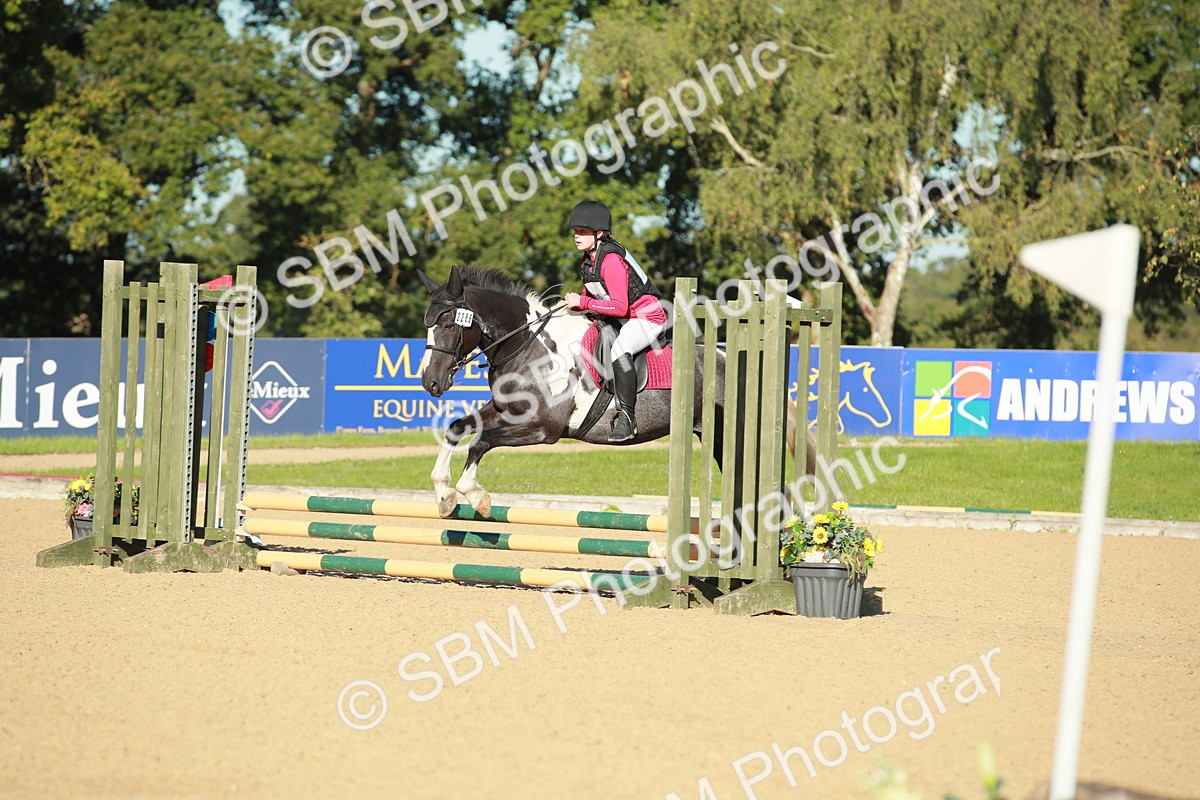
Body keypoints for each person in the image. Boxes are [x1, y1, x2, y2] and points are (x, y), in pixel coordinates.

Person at [562, 200, 667, 442]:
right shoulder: (588, 261)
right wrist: (571, 304)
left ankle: (627, 418)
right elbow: (590, 295)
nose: (576, 236)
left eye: (583, 231)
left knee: (621, 349)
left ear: (600, 233)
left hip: (646, 317)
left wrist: (584, 303)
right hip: (624, 318)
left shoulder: (610, 261)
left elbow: (620, 307)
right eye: (575, 231)